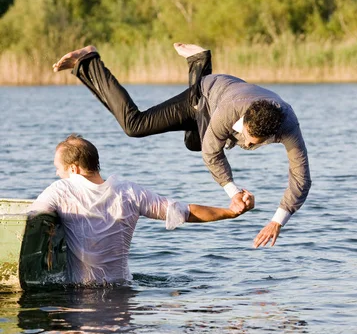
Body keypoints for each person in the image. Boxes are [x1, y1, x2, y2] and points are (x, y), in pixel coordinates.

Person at [53, 43, 311, 248]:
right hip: (205, 96)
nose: (245, 144)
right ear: (244, 121)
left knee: (192, 143)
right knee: (135, 125)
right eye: (245, 137)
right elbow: (212, 154)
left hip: (229, 96)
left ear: (272, 135)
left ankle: (199, 61)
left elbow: (301, 178)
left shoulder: (289, 126)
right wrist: (233, 193)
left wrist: (277, 221)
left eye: (253, 144)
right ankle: (90, 60)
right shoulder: (229, 112)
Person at [29, 134, 254, 286]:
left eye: (58, 168)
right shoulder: (129, 192)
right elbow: (183, 211)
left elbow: (28, 221)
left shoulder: (61, 190)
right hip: (123, 289)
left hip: (82, 294)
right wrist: (230, 211)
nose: (57, 173)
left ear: (73, 169)